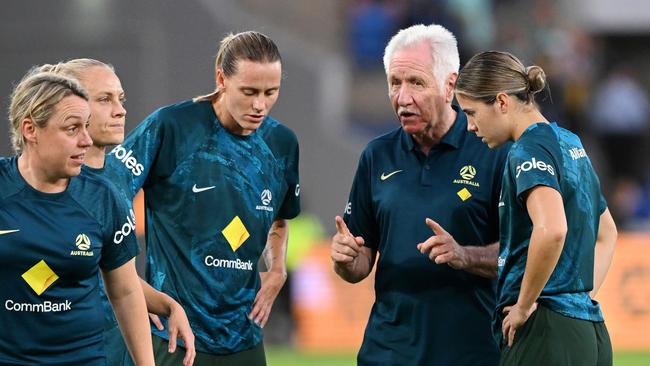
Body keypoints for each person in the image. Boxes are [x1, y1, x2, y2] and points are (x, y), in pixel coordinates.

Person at [104, 30, 300, 365]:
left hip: (246, 337)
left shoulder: (282, 144)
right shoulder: (171, 127)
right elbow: (105, 191)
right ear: (221, 78)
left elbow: (278, 215)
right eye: (249, 91)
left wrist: (278, 268)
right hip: (174, 336)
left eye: (271, 92)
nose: (260, 105)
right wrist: (133, 287)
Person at [330, 24, 509, 366]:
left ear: (449, 85)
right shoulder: (376, 156)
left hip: (472, 352)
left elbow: (521, 254)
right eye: (394, 83)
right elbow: (361, 262)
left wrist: (465, 255)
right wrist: (347, 259)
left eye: (416, 83)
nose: (402, 97)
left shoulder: (492, 149)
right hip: (387, 352)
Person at [455, 50, 618, 366]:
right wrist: (575, 299)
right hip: (588, 330)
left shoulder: (527, 149)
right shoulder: (571, 143)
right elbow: (607, 233)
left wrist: (525, 304)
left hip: (545, 334)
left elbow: (552, 229)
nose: (469, 127)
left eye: (471, 112)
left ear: (502, 102)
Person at [41, 58, 196, 366]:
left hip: (117, 348)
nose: (120, 110)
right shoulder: (51, 184)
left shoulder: (117, 178)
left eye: (120, 99)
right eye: (104, 99)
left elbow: (113, 274)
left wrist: (167, 305)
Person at [0, 70, 154, 365]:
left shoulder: (103, 198)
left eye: (86, 127)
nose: (86, 140)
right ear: (30, 130)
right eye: (72, 129)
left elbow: (125, 292)